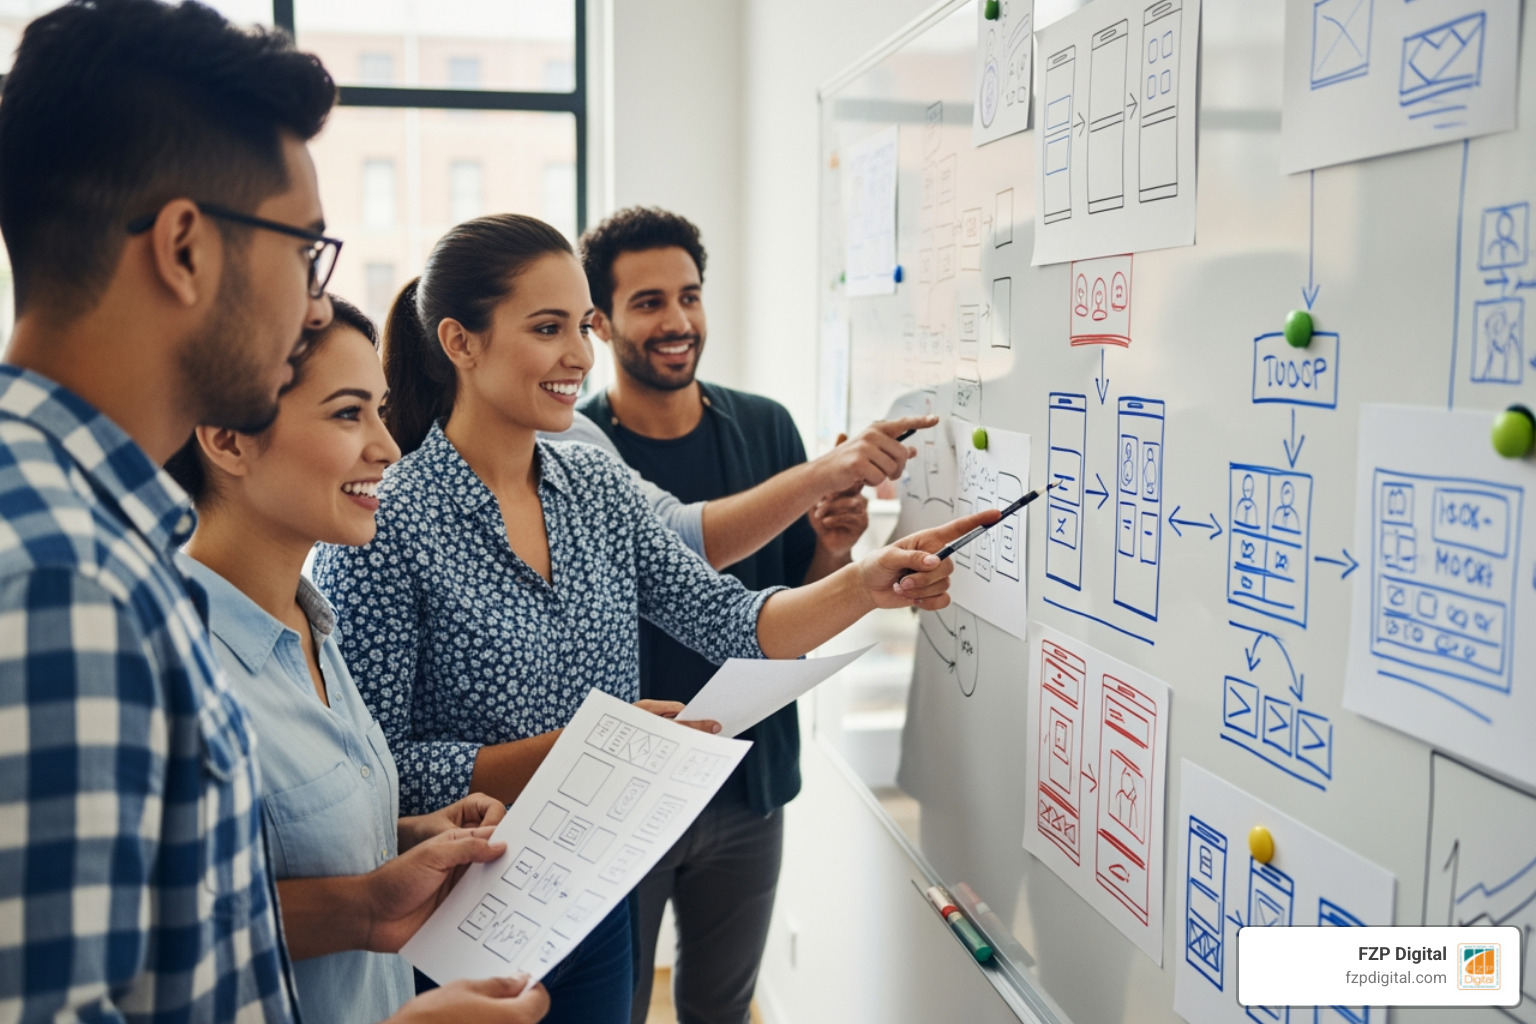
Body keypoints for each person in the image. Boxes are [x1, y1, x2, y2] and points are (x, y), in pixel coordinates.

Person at [309, 212, 992, 1024]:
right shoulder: (383, 526)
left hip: (594, 892)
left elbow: (734, 622)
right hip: (454, 910)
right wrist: (580, 752)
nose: (579, 355)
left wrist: (869, 583)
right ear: (460, 342)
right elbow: (372, 774)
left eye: (583, 326)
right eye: (548, 328)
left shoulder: (596, 486)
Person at [0, 2, 544, 1020]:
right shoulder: (59, 574)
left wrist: (366, 898)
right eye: (304, 251)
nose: (310, 304)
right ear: (185, 248)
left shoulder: (102, 539)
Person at [163, 296, 556, 1023]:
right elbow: (161, 939)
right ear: (226, 439)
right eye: (349, 414)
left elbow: (279, 855)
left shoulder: (312, 623)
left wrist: (410, 837)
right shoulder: (178, 671)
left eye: (379, 409)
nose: (388, 448)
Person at [570, 206, 856, 1023]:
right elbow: (684, 557)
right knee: (612, 1005)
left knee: (723, 1007)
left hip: (746, 779)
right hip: (629, 786)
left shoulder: (765, 426)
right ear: (602, 320)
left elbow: (784, 593)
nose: (678, 321)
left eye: (690, 296)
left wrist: (835, 553)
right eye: (650, 301)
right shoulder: (575, 451)